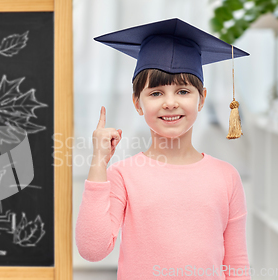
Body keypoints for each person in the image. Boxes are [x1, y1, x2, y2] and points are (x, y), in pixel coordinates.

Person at [75, 18, 251, 279]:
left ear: (202, 98)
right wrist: (99, 163)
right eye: (156, 93)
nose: (170, 103)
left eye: (183, 91)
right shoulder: (123, 175)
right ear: (137, 103)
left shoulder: (226, 177)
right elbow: (92, 250)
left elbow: (236, 264)